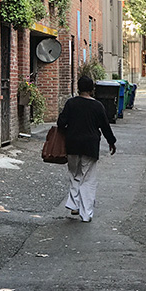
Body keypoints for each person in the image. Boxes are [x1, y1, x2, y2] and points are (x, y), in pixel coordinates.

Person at [56, 76, 117, 222]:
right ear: (92, 89)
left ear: (78, 88)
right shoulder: (97, 106)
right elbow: (105, 126)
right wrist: (111, 142)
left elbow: (61, 123)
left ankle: (74, 204)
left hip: (72, 144)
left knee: (74, 174)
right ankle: (86, 213)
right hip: (90, 145)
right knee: (87, 179)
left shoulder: (71, 103)